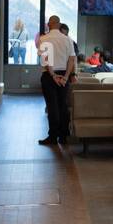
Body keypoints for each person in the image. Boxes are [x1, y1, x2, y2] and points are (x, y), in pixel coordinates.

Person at [37, 15, 76, 145]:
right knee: (63, 105)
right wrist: (65, 77)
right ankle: (63, 136)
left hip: (49, 75)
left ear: (49, 24)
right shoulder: (67, 40)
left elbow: (45, 60)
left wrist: (53, 75)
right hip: (64, 75)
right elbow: (71, 59)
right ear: (59, 25)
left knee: (52, 106)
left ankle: (53, 136)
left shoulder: (44, 38)